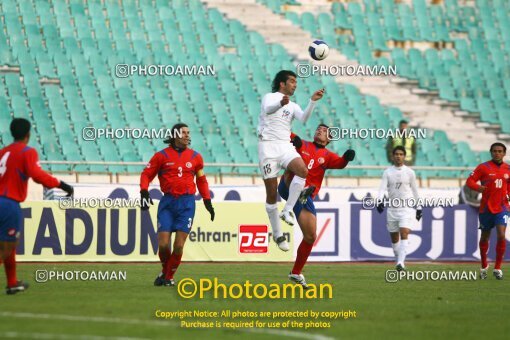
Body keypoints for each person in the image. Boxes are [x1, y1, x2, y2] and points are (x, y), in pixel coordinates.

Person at [0, 118, 73, 294]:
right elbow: (36, 174)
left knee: (8, 245)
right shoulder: (27, 152)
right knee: (7, 246)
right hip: (9, 203)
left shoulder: (3, 152)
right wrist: (61, 184)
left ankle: (12, 283)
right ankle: (12, 283)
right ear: (28, 135)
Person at [278, 124, 355, 288]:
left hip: (304, 198)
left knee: (311, 236)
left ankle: (296, 272)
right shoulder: (303, 144)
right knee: (295, 169)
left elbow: (340, 163)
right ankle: (299, 189)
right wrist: (290, 135)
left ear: (329, 138)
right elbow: (288, 134)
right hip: (288, 186)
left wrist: (347, 158)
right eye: (318, 128)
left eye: (324, 130)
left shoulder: (327, 156)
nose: (319, 130)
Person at [140, 123, 215, 286]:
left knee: (179, 245)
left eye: (189, 133)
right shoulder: (161, 156)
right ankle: (165, 271)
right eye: (184, 133)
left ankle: (168, 277)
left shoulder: (196, 157)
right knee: (163, 244)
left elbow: (201, 180)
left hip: (187, 203)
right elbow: (146, 174)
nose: (187, 136)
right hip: (167, 202)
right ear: (175, 135)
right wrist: (144, 191)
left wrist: (207, 200)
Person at [257, 70, 324, 252]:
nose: (295, 84)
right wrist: (280, 103)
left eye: (296, 82)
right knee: (271, 195)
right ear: (282, 84)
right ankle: (278, 235)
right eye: (292, 81)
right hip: (268, 147)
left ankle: (287, 210)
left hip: (284, 145)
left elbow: (303, 118)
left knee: (302, 170)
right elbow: (268, 109)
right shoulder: (270, 97)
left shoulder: (292, 105)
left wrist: (312, 102)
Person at [466, 142, 509, 280]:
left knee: (501, 235)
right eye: (495, 151)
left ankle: (497, 268)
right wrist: (478, 188)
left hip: (502, 207)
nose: (497, 153)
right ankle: (484, 264)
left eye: (500, 151)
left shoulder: (508, 169)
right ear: (491, 152)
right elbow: (470, 181)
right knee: (485, 237)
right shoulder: (483, 167)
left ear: (504, 153)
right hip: (486, 208)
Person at [377, 146, 421, 271]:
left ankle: (401, 263)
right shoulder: (387, 172)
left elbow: (415, 190)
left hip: (406, 208)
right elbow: (382, 189)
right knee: (394, 238)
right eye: (396, 154)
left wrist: (419, 207)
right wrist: (379, 201)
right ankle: (398, 260)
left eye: (401, 154)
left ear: (404, 156)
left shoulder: (410, 172)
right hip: (392, 210)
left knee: (404, 232)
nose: (398, 156)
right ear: (393, 156)